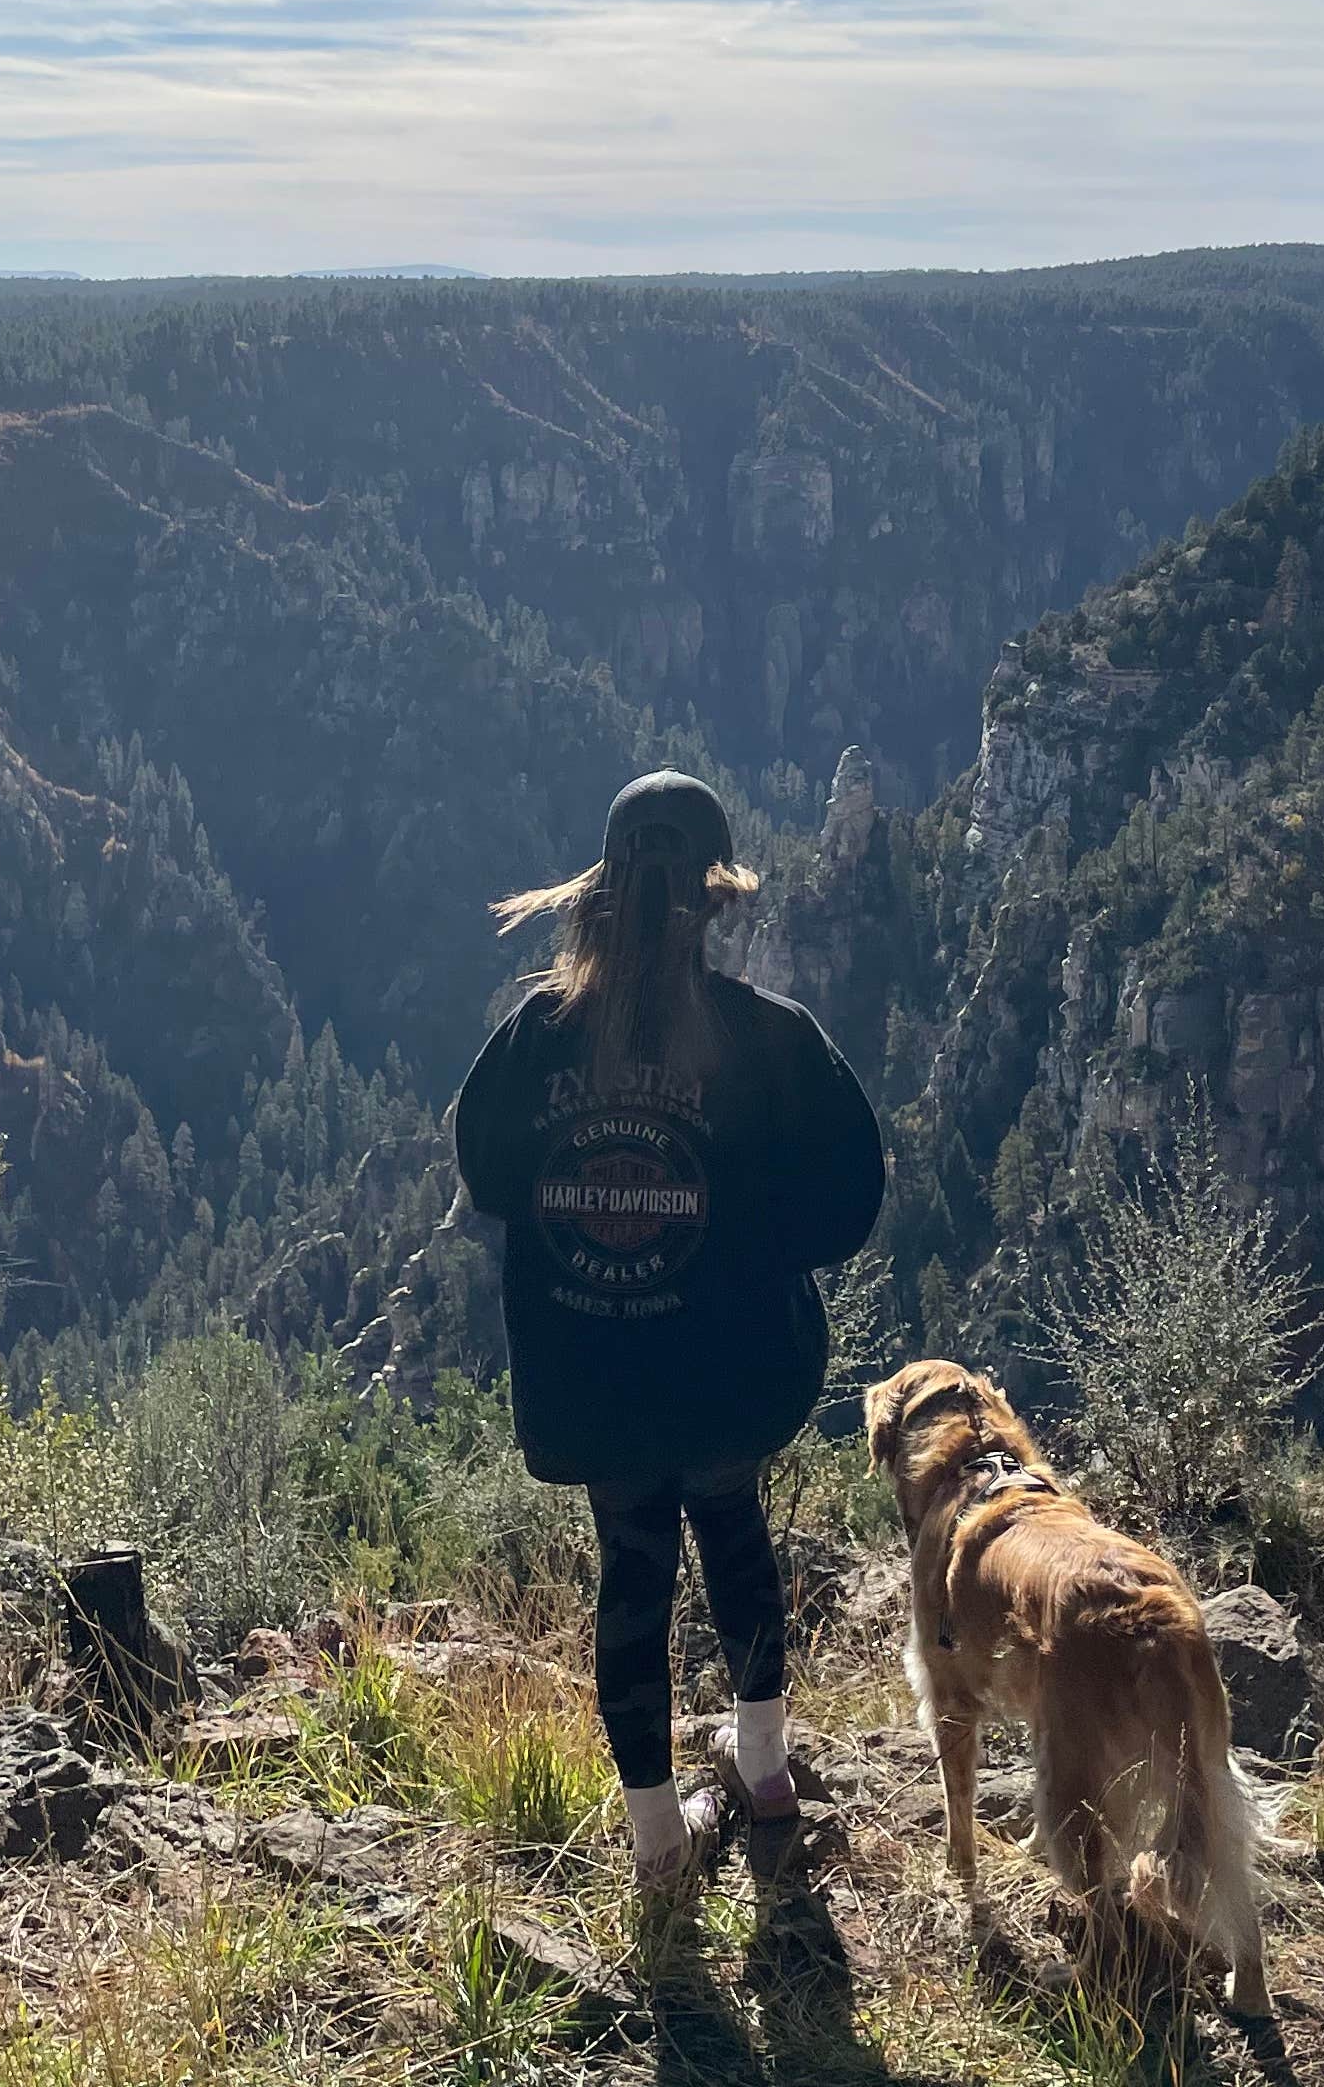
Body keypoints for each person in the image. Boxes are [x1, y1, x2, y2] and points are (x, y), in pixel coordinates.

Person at [455, 768, 887, 1896]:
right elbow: (850, 1198)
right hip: (730, 1374)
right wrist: (748, 1243)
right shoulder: (768, 1040)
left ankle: (658, 1847)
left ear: (600, 897)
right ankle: (765, 1777)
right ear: (716, 899)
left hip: (601, 1375)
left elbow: (490, 1174)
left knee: (632, 1580)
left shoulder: (535, 1043)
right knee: (737, 1540)